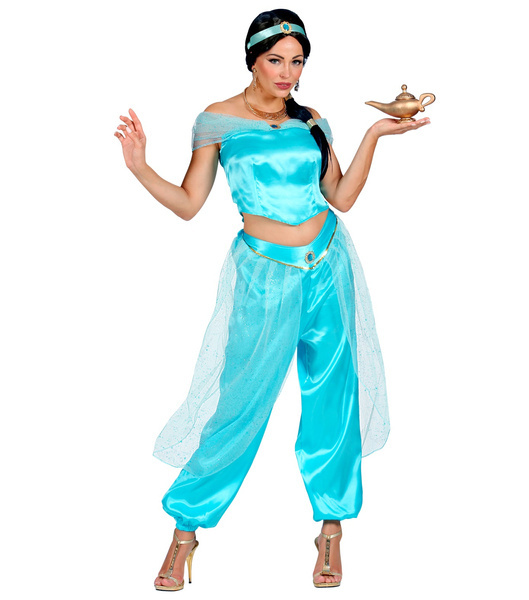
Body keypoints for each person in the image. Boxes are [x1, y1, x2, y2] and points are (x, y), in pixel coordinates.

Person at [114, 8, 430, 591]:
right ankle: (185, 533)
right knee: (240, 402)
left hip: (329, 264)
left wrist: (373, 136)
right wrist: (139, 168)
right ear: (253, 60)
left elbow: (341, 196)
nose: (288, 73)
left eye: (298, 62)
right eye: (276, 60)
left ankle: (330, 529)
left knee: (334, 398)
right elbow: (189, 204)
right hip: (264, 274)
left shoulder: (312, 120)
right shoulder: (217, 121)